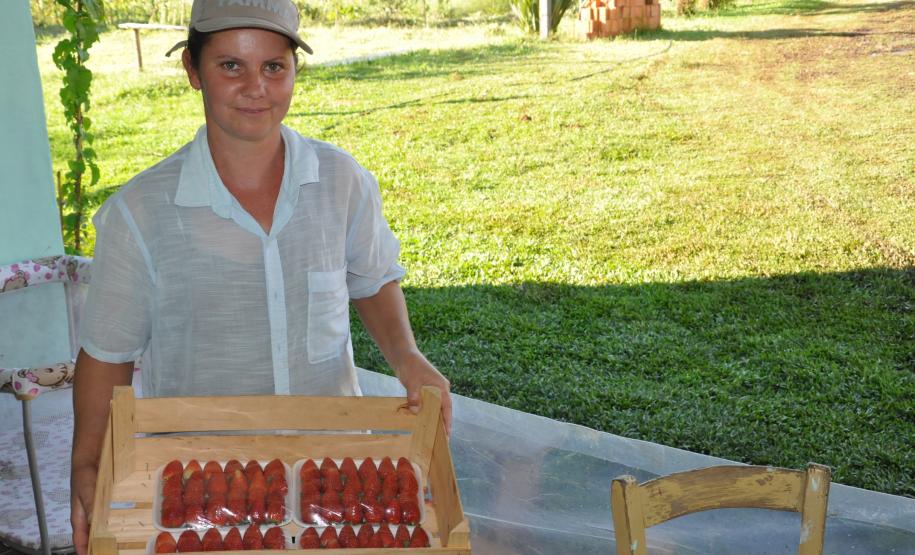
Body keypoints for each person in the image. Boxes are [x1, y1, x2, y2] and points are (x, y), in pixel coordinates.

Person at [69, 2, 451, 553]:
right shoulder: (141, 212)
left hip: (333, 473)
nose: (256, 88)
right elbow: (109, 352)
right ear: (193, 70)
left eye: (274, 66)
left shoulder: (341, 181)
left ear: (295, 70)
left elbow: (371, 280)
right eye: (231, 66)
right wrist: (87, 463)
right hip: (203, 484)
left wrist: (408, 357)